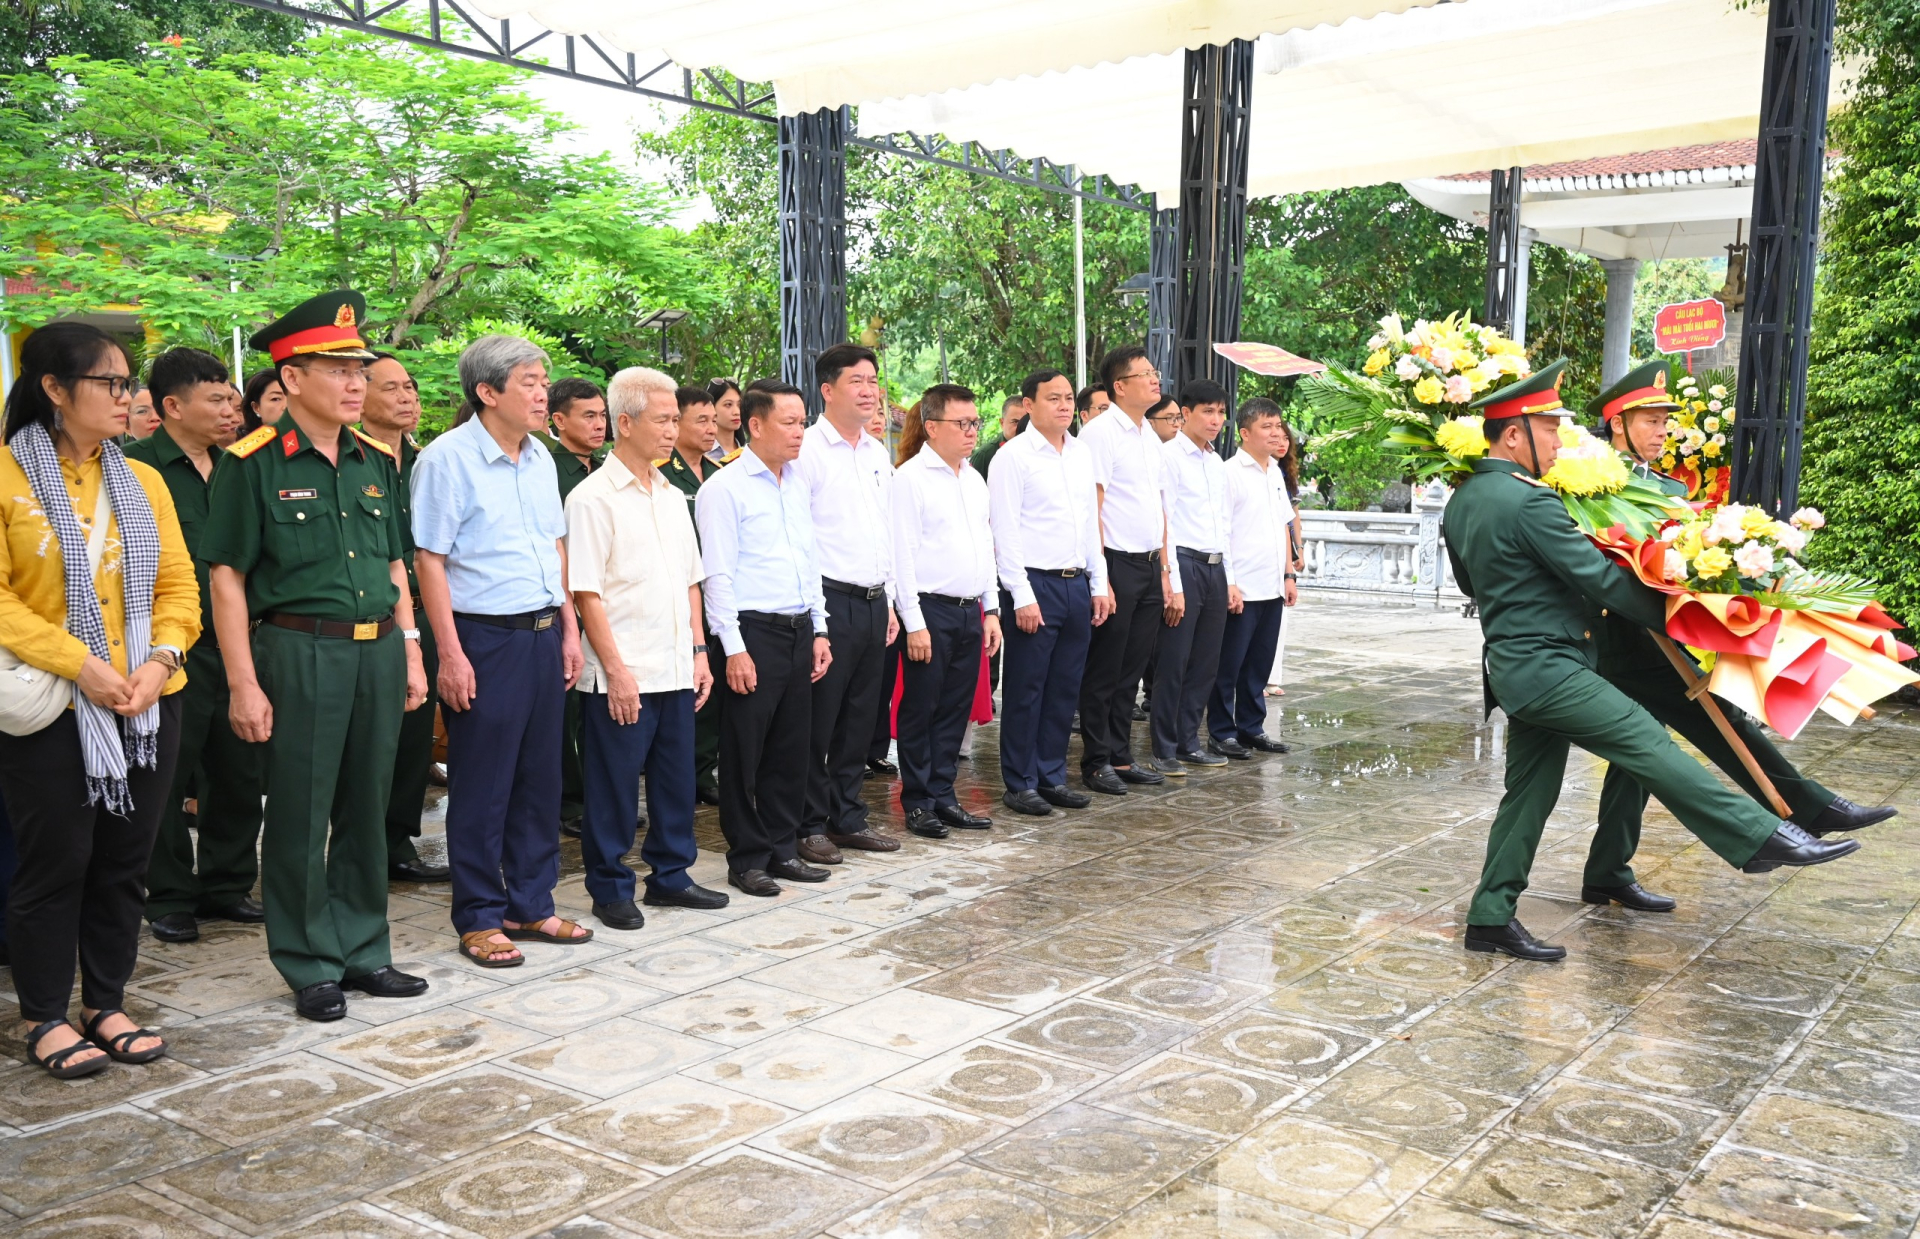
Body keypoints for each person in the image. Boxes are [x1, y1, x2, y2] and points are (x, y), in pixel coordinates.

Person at [1442, 361, 1859, 962]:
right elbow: (1600, 582)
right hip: (1553, 669)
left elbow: (1470, 582)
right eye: (1550, 431)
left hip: (1513, 668)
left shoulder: (1464, 500)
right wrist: (1695, 609)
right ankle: (1760, 837)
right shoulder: (1530, 504)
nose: (1561, 442)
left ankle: (1489, 917)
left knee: (1529, 793)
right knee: (1648, 743)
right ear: (1514, 434)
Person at [1577, 363, 1894, 912]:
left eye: (1664, 422)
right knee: (1712, 720)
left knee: (1639, 753)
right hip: (1614, 638)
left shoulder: (1670, 488)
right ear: (1617, 425)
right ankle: (1808, 807)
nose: (1661, 432)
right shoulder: (1592, 484)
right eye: (1649, 421)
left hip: (1661, 633)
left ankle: (1608, 871)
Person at [202, 290, 430, 1021]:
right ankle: (308, 959)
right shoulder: (253, 463)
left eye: (360, 366)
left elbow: (397, 565)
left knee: (369, 803)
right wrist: (243, 681)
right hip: (299, 649)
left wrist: (413, 650)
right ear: (291, 379)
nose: (356, 380)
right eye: (336, 367)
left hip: (379, 650)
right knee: (301, 812)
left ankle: (365, 946)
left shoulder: (375, 461)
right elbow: (227, 578)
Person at [0, 322, 200, 1076]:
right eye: (111, 383)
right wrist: (80, 662)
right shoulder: (7, 477)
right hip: (55, 701)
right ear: (54, 389)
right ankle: (45, 1013)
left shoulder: (141, 478)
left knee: (124, 860)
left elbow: (179, 584)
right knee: (58, 861)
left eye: (129, 383)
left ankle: (106, 1000)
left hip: (146, 700)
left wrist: (160, 657)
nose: (129, 397)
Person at [413, 335, 591, 969]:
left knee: (540, 780)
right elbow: (429, 560)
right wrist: (451, 656)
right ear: (488, 392)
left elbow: (555, 548)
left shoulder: (540, 457)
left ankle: (531, 902)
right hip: (483, 638)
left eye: (544, 381)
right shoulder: (446, 460)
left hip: (544, 632)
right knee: (483, 785)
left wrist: (570, 628)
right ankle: (481, 916)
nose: (544, 393)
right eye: (529, 382)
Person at [568, 367, 729, 930]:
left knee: (674, 779)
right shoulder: (592, 499)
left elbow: (691, 581)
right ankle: (610, 886)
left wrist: (700, 651)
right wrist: (615, 671)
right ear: (626, 422)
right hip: (623, 669)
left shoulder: (670, 494)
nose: (673, 429)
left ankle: (670, 875)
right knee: (613, 787)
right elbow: (586, 592)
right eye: (662, 419)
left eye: (674, 418)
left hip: (675, 663)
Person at [125, 348, 265, 944]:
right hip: (169, 651)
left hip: (241, 647)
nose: (231, 409)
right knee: (165, 774)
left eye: (233, 398)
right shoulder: (135, 470)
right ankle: (170, 895)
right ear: (172, 406)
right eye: (216, 399)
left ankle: (228, 885)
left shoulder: (244, 465)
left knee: (238, 770)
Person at [695, 383, 834, 896]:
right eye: (790, 422)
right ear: (755, 425)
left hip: (799, 628)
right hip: (752, 633)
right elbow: (718, 576)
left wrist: (819, 627)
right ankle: (747, 857)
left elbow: (808, 560)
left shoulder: (797, 482)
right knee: (743, 753)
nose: (800, 432)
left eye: (803, 422)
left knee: (790, 750)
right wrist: (733, 648)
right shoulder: (724, 489)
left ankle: (782, 847)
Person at [792, 344, 900, 862]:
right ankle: (808, 821)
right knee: (821, 719)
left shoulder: (878, 452)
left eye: (873, 380)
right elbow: (801, 539)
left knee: (861, 717)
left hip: (875, 600)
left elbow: (886, 533)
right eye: (856, 381)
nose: (868, 390)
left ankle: (847, 815)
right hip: (829, 601)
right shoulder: (807, 450)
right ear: (828, 389)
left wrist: (893, 602)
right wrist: (815, 620)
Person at [988, 369, 1111, 817]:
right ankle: (1020, 782)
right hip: (1033, 584)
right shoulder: (1013, 457)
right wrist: (1020, 595)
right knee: (1027, 688)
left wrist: (1098, 582)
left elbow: (1089, 525)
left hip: (1075, 581)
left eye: (1066, 398)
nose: (1063, 405)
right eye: (1052, 398)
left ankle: (1051, 775)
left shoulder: (1080, 454)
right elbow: (1005, 531)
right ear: (1028, 404)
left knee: (1065, 687)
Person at [358, 352, 452, 884]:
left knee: (416, 734)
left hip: (426, 615)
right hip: (372, 619)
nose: (407, 397)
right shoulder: (350, 460)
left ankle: (397, 841)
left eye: (410, 388)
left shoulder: (429, 463)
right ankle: (361, 843)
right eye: (392, 388)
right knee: (370, 738)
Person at [892, 385, 1001, 839]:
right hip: (930, 610)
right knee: (923, 709)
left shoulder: (973, 479)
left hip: (969, 609)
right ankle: (917, 801)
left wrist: (991, 609)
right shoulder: (910, 479)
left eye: (975, 422)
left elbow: (986, 546)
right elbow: (902, 557)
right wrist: (914, 623)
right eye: (962, 423)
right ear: (932, 426)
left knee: (954, 710)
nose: (972, 431)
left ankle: (943, 795)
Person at [1077, 346, 1173, 797]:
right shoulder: (1101, 434)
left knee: (1132, 670)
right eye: (1146, 374)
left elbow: (1158, 508)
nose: (1155, 380)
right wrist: (1102, 578)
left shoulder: (1148, 435)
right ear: (1120, 386)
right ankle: (1096, 761)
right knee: (1105, 670)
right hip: (1116, 562)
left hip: (1149, 563)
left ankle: (1120, 754)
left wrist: (1167, 574)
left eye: (1155, 373)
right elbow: (1093, 508)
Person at [1149, 380, 1237, 775]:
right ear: (1185, 414)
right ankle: (1164, 746)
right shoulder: (1167, 456)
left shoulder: (1216, 462)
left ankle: (1189, 741)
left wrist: (1230, 579)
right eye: (1208, 411)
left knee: (1206, 662)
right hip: (1183, 562)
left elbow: (1225, 526)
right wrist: (1173, 582)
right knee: (1174, 660)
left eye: (1220, 412)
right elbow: (1163, 521)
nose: (1216, 420)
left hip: (1216, 566)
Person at [1209, 398, 1297, 758]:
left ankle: (1251, 728)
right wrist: (1229, 582)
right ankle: (1221, 731)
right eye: (1267, 426)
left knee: (1258, 665)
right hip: (1242, 586)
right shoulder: (1229, 472)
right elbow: (1222, 532)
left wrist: (1289, 574)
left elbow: (1283, 526)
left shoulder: (1274, 471)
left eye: (1278, 425)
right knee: (1228, 665)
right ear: (1244, 433)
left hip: (1272, 585)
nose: (1276, 432)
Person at [543, 377, 607, 836]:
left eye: (602, 414)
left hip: (605, 601)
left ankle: (597, 796)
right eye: (588, 415)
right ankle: (569, 802)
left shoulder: (606, 468)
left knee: (597, 706)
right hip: (566, 603)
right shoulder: (546, 466)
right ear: (558, 420)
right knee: (566, 712)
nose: (599, 424)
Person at [664, 386, 724, 806]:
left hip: (717, 593)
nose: (710, 427)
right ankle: (678, 774)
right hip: (677, 595)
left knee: (713, 686)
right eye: (700, 420)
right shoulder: (659, 473)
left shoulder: (721, 473)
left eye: (713, 419)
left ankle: (703, 770)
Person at [706, 377, 745, 463]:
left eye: (739, 405)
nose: (737, 412)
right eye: (728, 404)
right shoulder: (703, 455)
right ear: (712, 407)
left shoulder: (749, 453)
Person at [239, 368, 287, 438]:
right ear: (256, 407)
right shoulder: (250, 446)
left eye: (291, 399)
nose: (286, 406)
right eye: (275, 399)